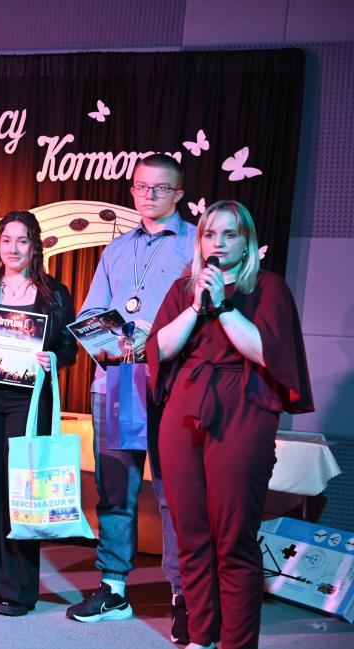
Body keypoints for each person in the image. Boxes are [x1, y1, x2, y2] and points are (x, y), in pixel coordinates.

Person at [149, 200, 312, 649]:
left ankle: (236, 643)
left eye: (229, 234)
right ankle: (202, 636)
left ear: (247, 242)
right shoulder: (185, 288)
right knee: (190, 533)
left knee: (234, 536)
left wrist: (222, 306)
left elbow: (264, 352)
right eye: (209, 234)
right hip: (183, 411)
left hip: (242, 408)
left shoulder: (268, 287)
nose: (218, 243)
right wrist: (197, 305)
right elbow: (161, 348)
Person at [69, 154, 195, 639]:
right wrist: (113, 338)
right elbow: (91, 312)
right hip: (120, 382)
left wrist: (153, 339)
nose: (148, 195)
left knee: (174, 494)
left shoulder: (195, 244)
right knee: (116, 491)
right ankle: (114, 588)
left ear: (178, 194)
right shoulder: (117, 248)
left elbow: (204, 313)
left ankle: (184, 596)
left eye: (159, 188)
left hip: (172, 383)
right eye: (141, 186)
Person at [0, 211, 77, 616]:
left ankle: (18, 589)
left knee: (21, 493)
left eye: (22, 240)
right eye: (7, 240)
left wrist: (52, 358)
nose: (13, 248)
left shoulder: (55, 294)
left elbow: (69, 348)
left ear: (35, 246)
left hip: (29, 400)